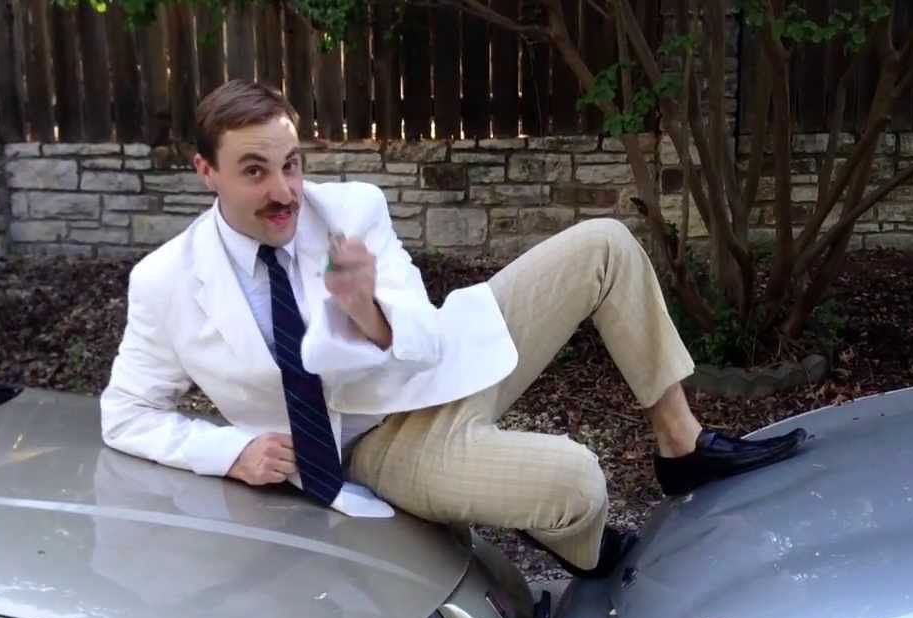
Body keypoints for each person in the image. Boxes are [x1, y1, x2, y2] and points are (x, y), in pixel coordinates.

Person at [100, 79, 807, 578]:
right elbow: (126, 414)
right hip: (374, 444)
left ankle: (680, 445)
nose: (284, 191)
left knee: (605, 246)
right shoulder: (166, 281)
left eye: (290, 164)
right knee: (578, 482)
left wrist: (369, 314)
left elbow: (427, 339)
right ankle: (587, 554)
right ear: (205, 172)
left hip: (436, 363)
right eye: (254, 172)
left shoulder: (351, 210)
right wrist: (231, 452)